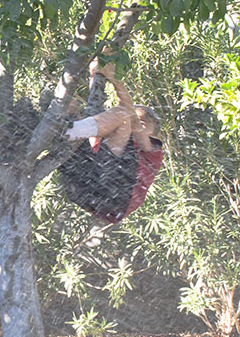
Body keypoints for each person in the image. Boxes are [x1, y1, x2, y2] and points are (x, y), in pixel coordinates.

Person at [58, 59, 164, 223]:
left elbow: (128, 113)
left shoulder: (152, 151)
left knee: (122, 115)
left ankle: (69, 132)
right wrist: (95, 74)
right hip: (86, 185)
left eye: (144, 124)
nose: (139, 126)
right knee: (72, 107)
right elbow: (95, 127)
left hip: (115, 199)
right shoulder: (116, 139)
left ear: (154, 133)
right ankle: (57, 128)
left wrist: (113, 78)